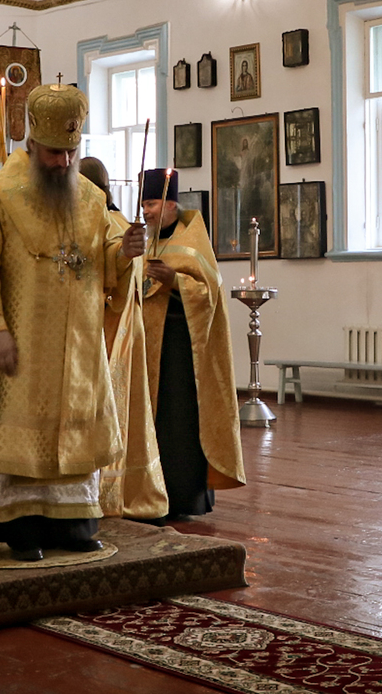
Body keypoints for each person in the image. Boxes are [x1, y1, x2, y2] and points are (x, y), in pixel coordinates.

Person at [0, 84, 146, 562]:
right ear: (32, 143)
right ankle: (21, 528)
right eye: (54, 152)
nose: (63, 162)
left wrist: (125, 252)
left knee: (75, 435)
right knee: (23, 441)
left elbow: (105, 258)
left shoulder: (91, 198)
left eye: (71, 152)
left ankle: (74, 526)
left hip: (79, 348)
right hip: (21, 344)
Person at [139, 168, 246, 519]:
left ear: (171, 204)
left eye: (152, 204)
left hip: (182, 350)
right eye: (144, 204)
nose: (146, 211)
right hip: (148, 347)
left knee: (180, 424)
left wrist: (175, 280)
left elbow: (209, 293)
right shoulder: (146, 241)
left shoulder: (193, 239)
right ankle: (150, 494)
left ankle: (185, 497)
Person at [79, 157, 168, 523]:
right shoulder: (119, 223)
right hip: (128, 333)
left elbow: (107, 278)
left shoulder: (103, 225)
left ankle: (102, 493)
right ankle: (133, 491)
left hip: (105, 335)